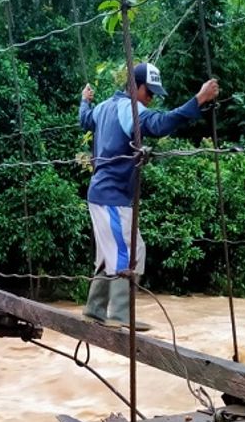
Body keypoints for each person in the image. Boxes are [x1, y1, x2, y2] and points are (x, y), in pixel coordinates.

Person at [78, 62, 219, 330]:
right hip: (113, 195)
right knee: (129, 252)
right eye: (148, 92)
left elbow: (85, 119)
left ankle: (95, 310)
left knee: (112, 251)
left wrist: (83, 101)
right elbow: (159, 123)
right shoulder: (128, 109)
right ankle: (119, 315)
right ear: (134, 87)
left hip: (102, 193)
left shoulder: (104, 107)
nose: (150, 98)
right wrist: (199, 99)